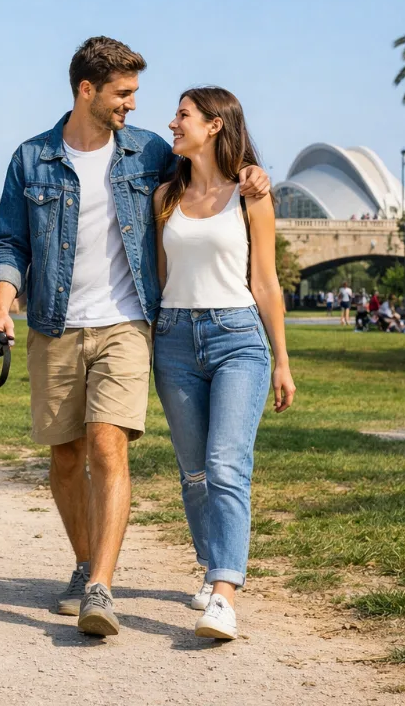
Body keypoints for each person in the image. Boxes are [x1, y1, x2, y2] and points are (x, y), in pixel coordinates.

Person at [0, 37, 270, 637]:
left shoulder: (147, 154)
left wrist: (250, 169)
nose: (133, 105)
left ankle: (100, 587)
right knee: (65, 457)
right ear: (86, 90)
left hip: (128, 322)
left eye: (136, 93)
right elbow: (9, 243)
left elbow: (210, 174)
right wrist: (2, 307)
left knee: (107, 446)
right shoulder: (32, 158)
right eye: (123, 93)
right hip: (55, 324)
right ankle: (86, 560)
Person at [151, 87, 295, 642]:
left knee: (227, 464)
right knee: (194, 474)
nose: (173, 122)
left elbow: (266, 281)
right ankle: (213, 565)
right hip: (175, 341)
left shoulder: (251, 195)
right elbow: (162, 278)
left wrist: (281, 360)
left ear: (214, 126)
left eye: (182, 115)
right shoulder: (165, 195)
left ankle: (224, 593)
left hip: (238, 338)